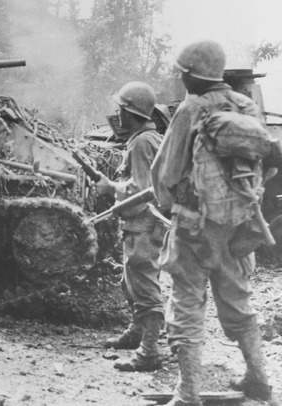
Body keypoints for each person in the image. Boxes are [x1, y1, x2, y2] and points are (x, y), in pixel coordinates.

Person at [151, 39, 273, 405]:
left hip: (195, 228)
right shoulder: (247, 106)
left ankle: (187, 393)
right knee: (238, 300)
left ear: (192, 75)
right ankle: (258, 378)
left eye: (182, 73)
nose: (181, 78)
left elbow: (166, 173)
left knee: (186, 304)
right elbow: (264, 163)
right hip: (239, 226)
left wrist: (171, 205)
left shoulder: (191, 108)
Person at [94, 81, 166, 372]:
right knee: (130, 281)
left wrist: (110, 187)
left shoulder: (140, 143)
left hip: (142, 223)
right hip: (141, 222)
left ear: (129, 113)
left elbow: (141, 189)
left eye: (121, 109)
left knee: (144, 285)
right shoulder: (149, 138)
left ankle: (149, 351)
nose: (118, 114)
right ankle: (137, 333)